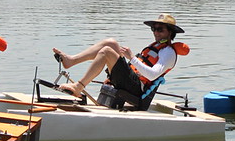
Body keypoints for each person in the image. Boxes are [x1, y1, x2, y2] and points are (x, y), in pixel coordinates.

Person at [53, 13, 187, 99]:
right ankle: (71, 61)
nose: (156, 33)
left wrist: (132, 58)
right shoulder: (158, 46)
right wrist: (130, 61)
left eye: (160, 29)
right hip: (131, 79)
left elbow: (152, 75)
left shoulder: (168, 52)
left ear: (170, 33)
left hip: (136, 88)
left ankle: (79, 87)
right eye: (154, 29)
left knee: (106, 51)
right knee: (110, 43)